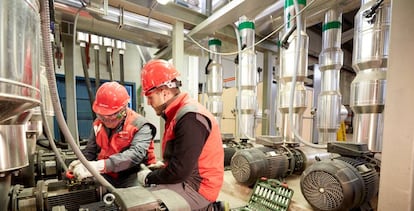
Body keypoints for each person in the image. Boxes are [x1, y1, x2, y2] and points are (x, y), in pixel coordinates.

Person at [138, 59, 224, 210]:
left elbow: (179, 171)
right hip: (187, 180)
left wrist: (148, 177)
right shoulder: (177, 114)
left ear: (164, 93)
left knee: (143, 204)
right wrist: (164, 166)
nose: (149, 103)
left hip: (198, 189)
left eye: (150, 97)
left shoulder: (190, 118)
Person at [69, 81, 157, 188]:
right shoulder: (98, 124)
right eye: (102, 116)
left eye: (111, 116)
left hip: (134, 173)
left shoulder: (141, 125)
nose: (106, 120)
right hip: (108, 173)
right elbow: (90, 150)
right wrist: (82, 162)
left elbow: (135, 155)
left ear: (123, 110)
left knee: (134, 199)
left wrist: (99, 166)